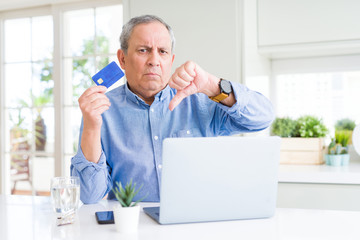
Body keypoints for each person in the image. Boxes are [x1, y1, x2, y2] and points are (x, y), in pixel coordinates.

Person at [71, 15, 274, 204]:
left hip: (195, 224)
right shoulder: (100, 111)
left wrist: (213, 84)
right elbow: (90, 196)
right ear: (122, 59)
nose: (154, 60)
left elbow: (263, 117)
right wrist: (91, 128)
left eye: (162, 52)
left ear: (171, 59)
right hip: (134, 228)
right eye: (143, 50)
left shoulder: (201, 101)